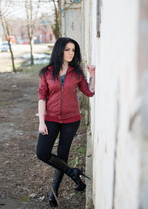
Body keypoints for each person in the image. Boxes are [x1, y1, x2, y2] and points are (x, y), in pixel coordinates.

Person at [36, 37, 95, 207]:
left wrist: (92, 75)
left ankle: (54, 193)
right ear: (59, 50)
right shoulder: (47, 72)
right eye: (67, 49)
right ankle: (73, 173)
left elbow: (89, 92)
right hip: (51, 119)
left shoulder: (76, 72)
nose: (71, 53)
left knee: (62, 155)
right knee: (42, 153)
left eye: (73, 50)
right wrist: (42, 122)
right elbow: (41, 97)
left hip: (71, 120)